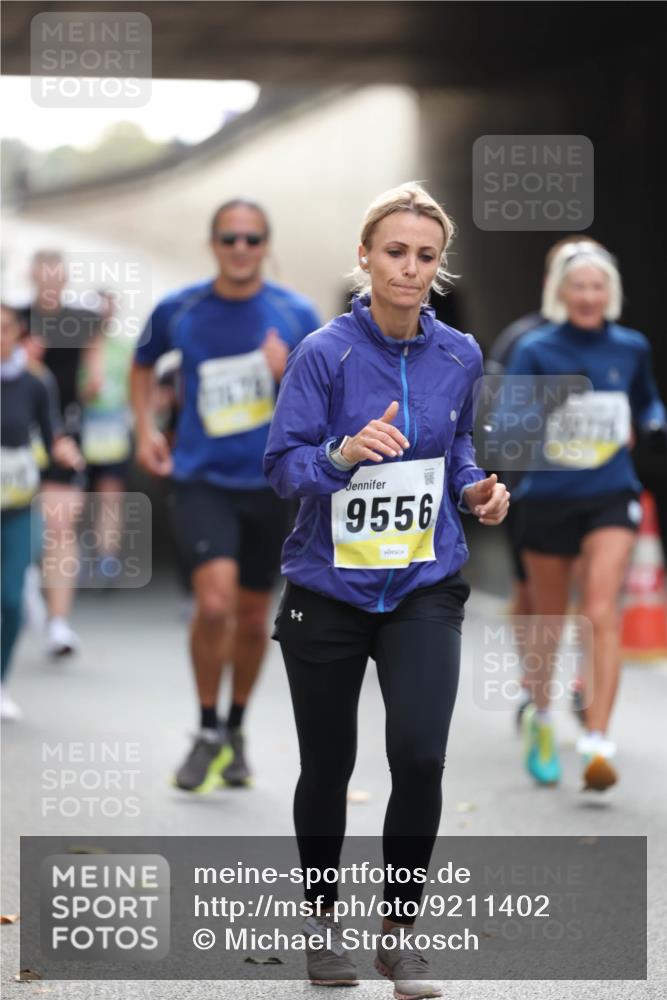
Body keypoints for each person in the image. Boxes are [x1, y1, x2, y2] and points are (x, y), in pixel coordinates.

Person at [264, 182, 509, 995]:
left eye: (424, 256)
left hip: (421, 588)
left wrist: (474, 489)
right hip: (327, 591)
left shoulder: (459, 354)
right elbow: (281, 468)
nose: (408, 268)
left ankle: (399, 936)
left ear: (438, 268)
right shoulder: (322, 353)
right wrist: (339, 456)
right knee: (327, 764)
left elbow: (458, 447)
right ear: (365, 257)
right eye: (394, 252)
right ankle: (321, 925)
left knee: (419, 754)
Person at [131, 198, 321, 792]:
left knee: (248, 615)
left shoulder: (295, 312)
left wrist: (286, 369)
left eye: (253, 239)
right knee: (212, 604)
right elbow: (141, 366)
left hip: (271, 485)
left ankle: (236, 728)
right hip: (201, 478)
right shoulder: (179, 308)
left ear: (267, 245)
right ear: (213, 244)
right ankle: (207, 728)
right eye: (230, 238)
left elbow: (327, 394)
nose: (241, 249)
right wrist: (143, 430)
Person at [506, 242, 666, 790]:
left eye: (598, 287)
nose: (588, 296)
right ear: (560, 292)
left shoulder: (631, 346)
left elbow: (648, 400)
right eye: (579, 286)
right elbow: (505, 423)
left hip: (609, 494)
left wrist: (648, 424)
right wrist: (544, 409)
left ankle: (598, 741)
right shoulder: (535, 348)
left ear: (611, 294)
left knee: (600, 611)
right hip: (548, 497)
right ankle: (542, 717)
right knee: (550, 623)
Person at [485, 237, 606, 729]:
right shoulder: (522, 340)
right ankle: (535, 687)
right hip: (531, 487)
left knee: (590, 587)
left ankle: (582, 682)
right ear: (551, 283)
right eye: (570, 274)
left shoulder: (612, 339)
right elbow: (495, 414)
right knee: (534, 595)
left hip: (595, 489)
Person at [1, 304, 82, 719]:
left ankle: (0, 683)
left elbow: (52, 433)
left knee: (10, 600)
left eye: (3, 330)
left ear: (17, 334)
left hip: (15, 506)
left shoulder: (34, 383)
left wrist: (63, 449)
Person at [23, 251, 105, 656]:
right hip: (17, 434)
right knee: (20, 522)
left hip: (64, 432)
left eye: (57, 279)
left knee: (60, 525)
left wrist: (94, 383)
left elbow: (95, 371)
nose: (51, 287)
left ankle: (58, 623)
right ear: (33, 279)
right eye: (44, 279)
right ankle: (22, 584)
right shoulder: (16, 319)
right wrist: (27, 360)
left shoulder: (82, 320)